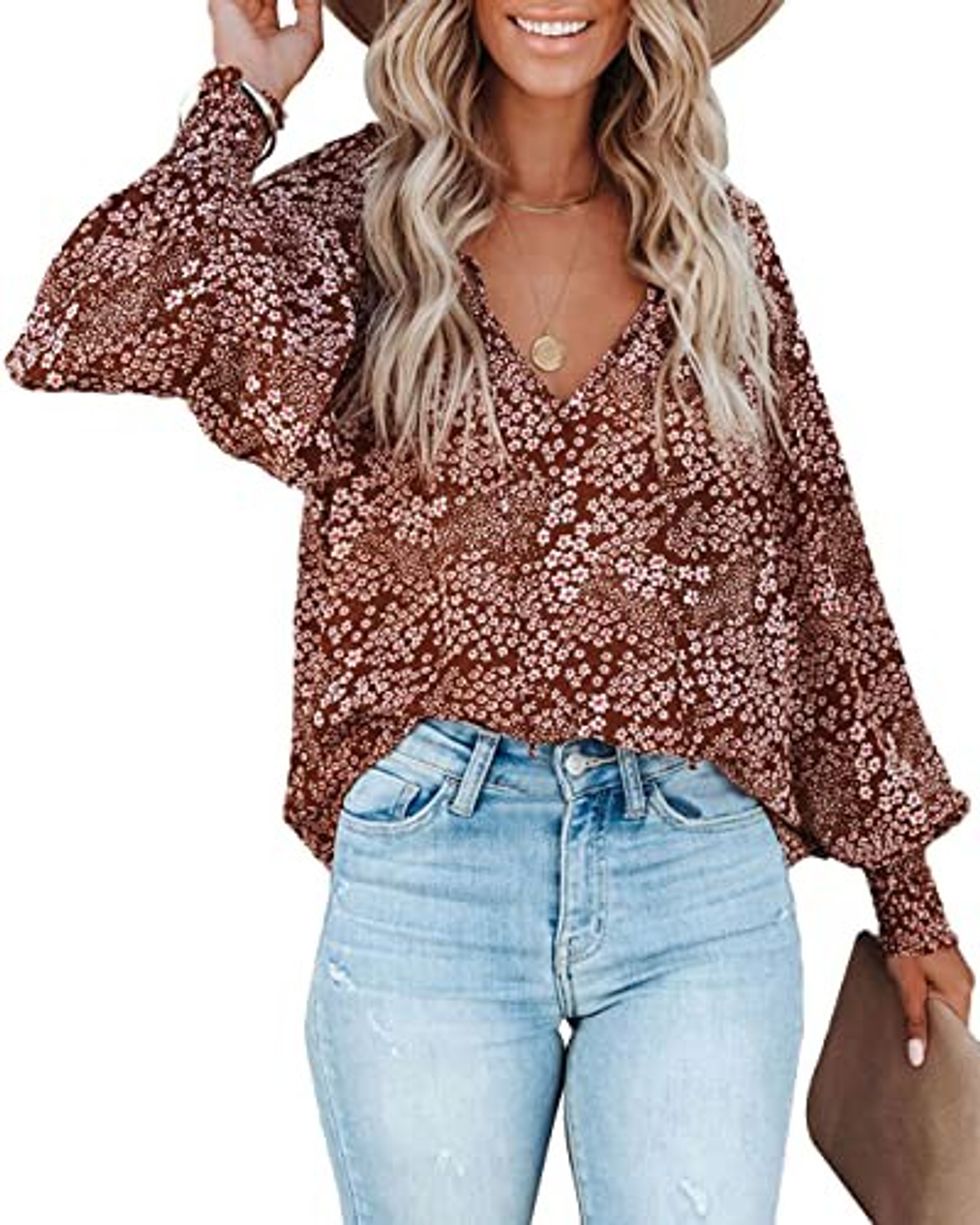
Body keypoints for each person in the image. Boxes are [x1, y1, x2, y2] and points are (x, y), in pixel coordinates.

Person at [5, 0, 975, 1221]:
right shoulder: (353, 227)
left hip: (695, 871)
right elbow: (80, 320)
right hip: (432, 867)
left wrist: (906, 897)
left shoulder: (720, 245)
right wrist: (241, 100)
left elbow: (817, 560)